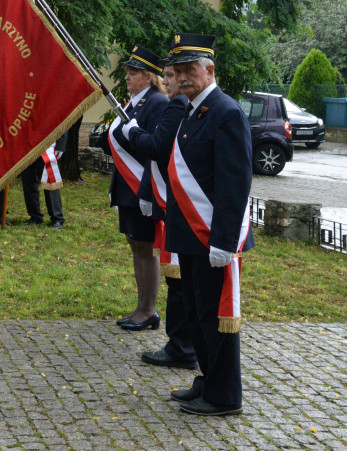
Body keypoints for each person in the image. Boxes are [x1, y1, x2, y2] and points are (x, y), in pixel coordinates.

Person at [124, 33, 253, 417]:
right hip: (190, 236)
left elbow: (235, 183)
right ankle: (207, 382)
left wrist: (224, 241)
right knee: (199, 318)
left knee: (217, 322)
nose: (180, 77)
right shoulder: (193, 110)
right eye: (176, 71)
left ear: (209, 70)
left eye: (188, 70)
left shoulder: (225, 112)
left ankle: (224, 396)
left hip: (212, 237)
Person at [137, 63, 197, 370]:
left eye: (173, 75)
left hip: (190, 210)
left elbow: (158, 148)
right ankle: (181, 345)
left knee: (180, 283)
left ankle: (182, 348)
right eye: (169, 75)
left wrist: (133, 132)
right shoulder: (183, 105)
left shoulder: (178, 105)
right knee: (179, 282)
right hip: (176, 204)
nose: (169, 81)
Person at [105, 45, 168, 331]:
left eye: (133, 73)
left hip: (142, 187)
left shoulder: (157, 103)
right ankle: (141, 308)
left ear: (148, 76)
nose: (127, 77)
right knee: (135, 246)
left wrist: (146, 191)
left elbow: (153, 151)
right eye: (128, 72)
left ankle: (149, 310)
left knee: (146, 247)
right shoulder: (134, 102)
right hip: (127, 187)